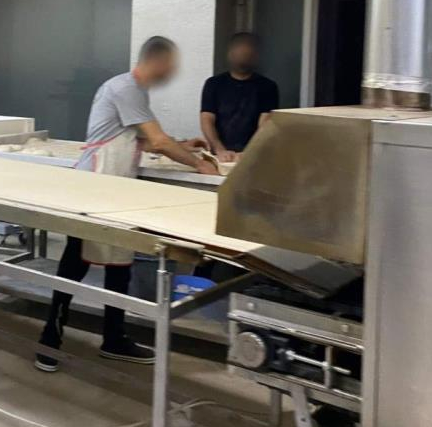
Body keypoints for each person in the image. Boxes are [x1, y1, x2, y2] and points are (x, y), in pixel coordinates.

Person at [35, 36, 218, 372]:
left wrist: (184, 145)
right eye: (170, 65)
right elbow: (157, 141)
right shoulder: (126, 88)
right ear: (157, 61)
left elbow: (142, 139)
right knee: (75, 261)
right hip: (95, 187)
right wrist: (198, 165)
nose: (171, 72)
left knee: (120, 263)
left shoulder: (136, 92)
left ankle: (113, 338)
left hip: (114, 190)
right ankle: (49, 339)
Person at [200, 32, 278, 162]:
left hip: (255, 156)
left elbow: (265, 124)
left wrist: (249, 152)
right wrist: (220, 150)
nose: (243, 56)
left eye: (247, 53)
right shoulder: (213, 84)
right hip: (218, 155)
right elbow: (207, 120)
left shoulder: (267, 86)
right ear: (230, 54)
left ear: (255, 56)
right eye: (240, 52)